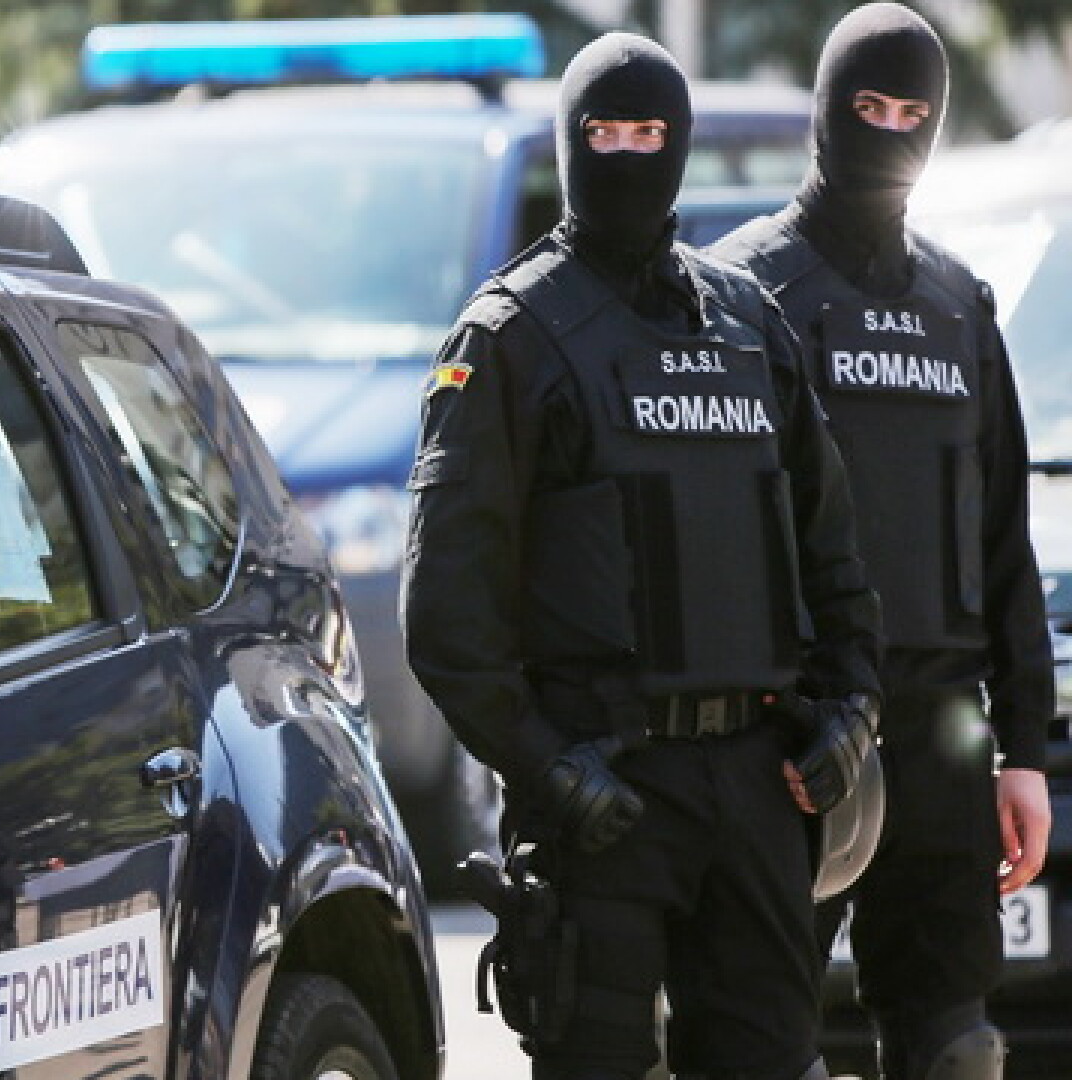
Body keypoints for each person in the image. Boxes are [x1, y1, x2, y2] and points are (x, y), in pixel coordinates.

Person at [401, 32, 884, 1080]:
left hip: (757, 785)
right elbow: (444, 616)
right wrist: (544, 765)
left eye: (648, 133)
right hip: (602, 793)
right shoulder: (511, 336)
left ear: (681, 143)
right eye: (604, 133)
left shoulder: (748, 324)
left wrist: (850, 710)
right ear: (570, 145)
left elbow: (833, 552)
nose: (626, 154)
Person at [710, 6, 1054, 1077]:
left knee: (956, 1044)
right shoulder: (737, 290)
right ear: (828, 109)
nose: (893, 133)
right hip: (791, 730)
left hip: (944, 734)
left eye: (915, 114)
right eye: (870, 107)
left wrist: (1023, 753)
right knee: (759, 1040)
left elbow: (1003, 542)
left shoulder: (960, 306)